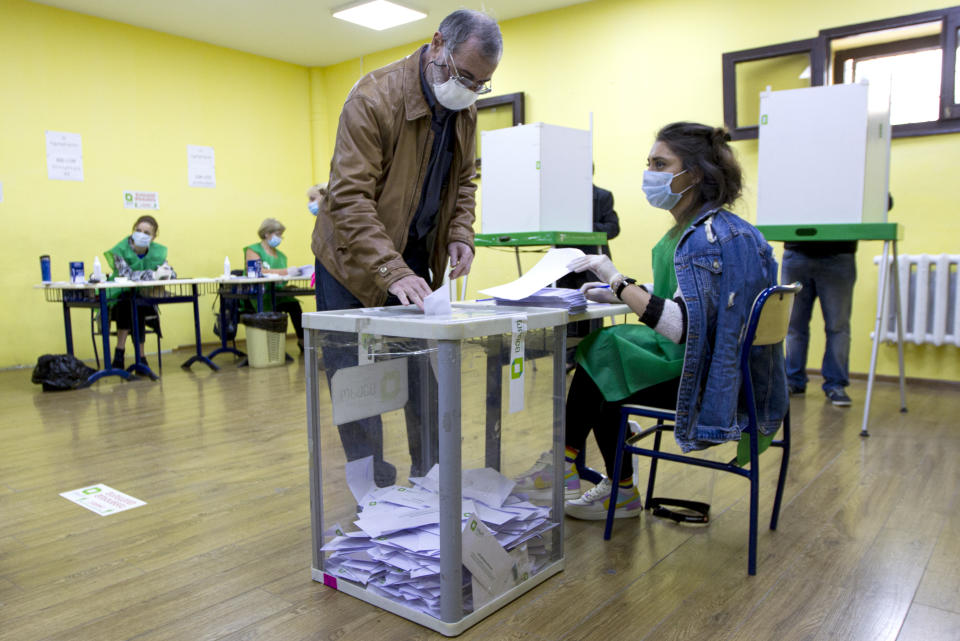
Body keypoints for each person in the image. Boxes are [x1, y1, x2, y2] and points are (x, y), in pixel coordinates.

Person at [554, 122, 786, 520]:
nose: (650, 174)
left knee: (603, 354)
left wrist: (617, 278)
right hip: (737, 374)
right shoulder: (723, 230)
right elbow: (687, 296)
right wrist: (622, 291)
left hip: (710, 382)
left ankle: (566, 469)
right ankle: (596, 479)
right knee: (608, 360)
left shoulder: (701, 240)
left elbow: (683, 327)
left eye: (660, 164)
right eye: (649, 163)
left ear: (693, 174)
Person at [310, 10, 502, 486]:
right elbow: (349, 199)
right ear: (437, 44)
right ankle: (372, 488)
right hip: (351, 261)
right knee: (354, 384)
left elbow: (465, 180)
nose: (469, 89)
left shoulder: (464, 105)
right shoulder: (374, 97)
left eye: (481, 83)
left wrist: (461, 233)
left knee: (421, 378)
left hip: (412, 259)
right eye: (464, 76)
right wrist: (390, 270)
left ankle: (431, 479)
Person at [556, 178, 620, 370]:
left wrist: (584, 226)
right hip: (566, 262)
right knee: (566, 308)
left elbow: (613, 228)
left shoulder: (603, 196)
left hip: (593, 260)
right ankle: (568, 357)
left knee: (594, 308)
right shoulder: (560, 198)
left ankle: (591, 357)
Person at [104, 215, 176, 370]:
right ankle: (122, 353)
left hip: (142, 297)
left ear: (154, 236)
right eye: (138, 230)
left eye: (147, 233)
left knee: (139, 303)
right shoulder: (120, 250)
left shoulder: (157, 251)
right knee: (128, 301)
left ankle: (139, 357)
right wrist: (154, 274)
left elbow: (170, 272)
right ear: (133, 230)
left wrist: (166, 272)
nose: (141, 234)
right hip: (117, 296)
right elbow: (126, 274)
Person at [244, 218, 304, 351]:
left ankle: (303, 341)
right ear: (267, 233)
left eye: (281, 235)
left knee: (294, 305)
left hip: (277, 293)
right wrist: (284, 272)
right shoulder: (253, 250)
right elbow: (257, 270)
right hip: (259, 294)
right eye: (278, 234)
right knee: (273, 305)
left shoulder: (281, 255)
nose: (280, 238)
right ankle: (268, 346)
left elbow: (282, 277)